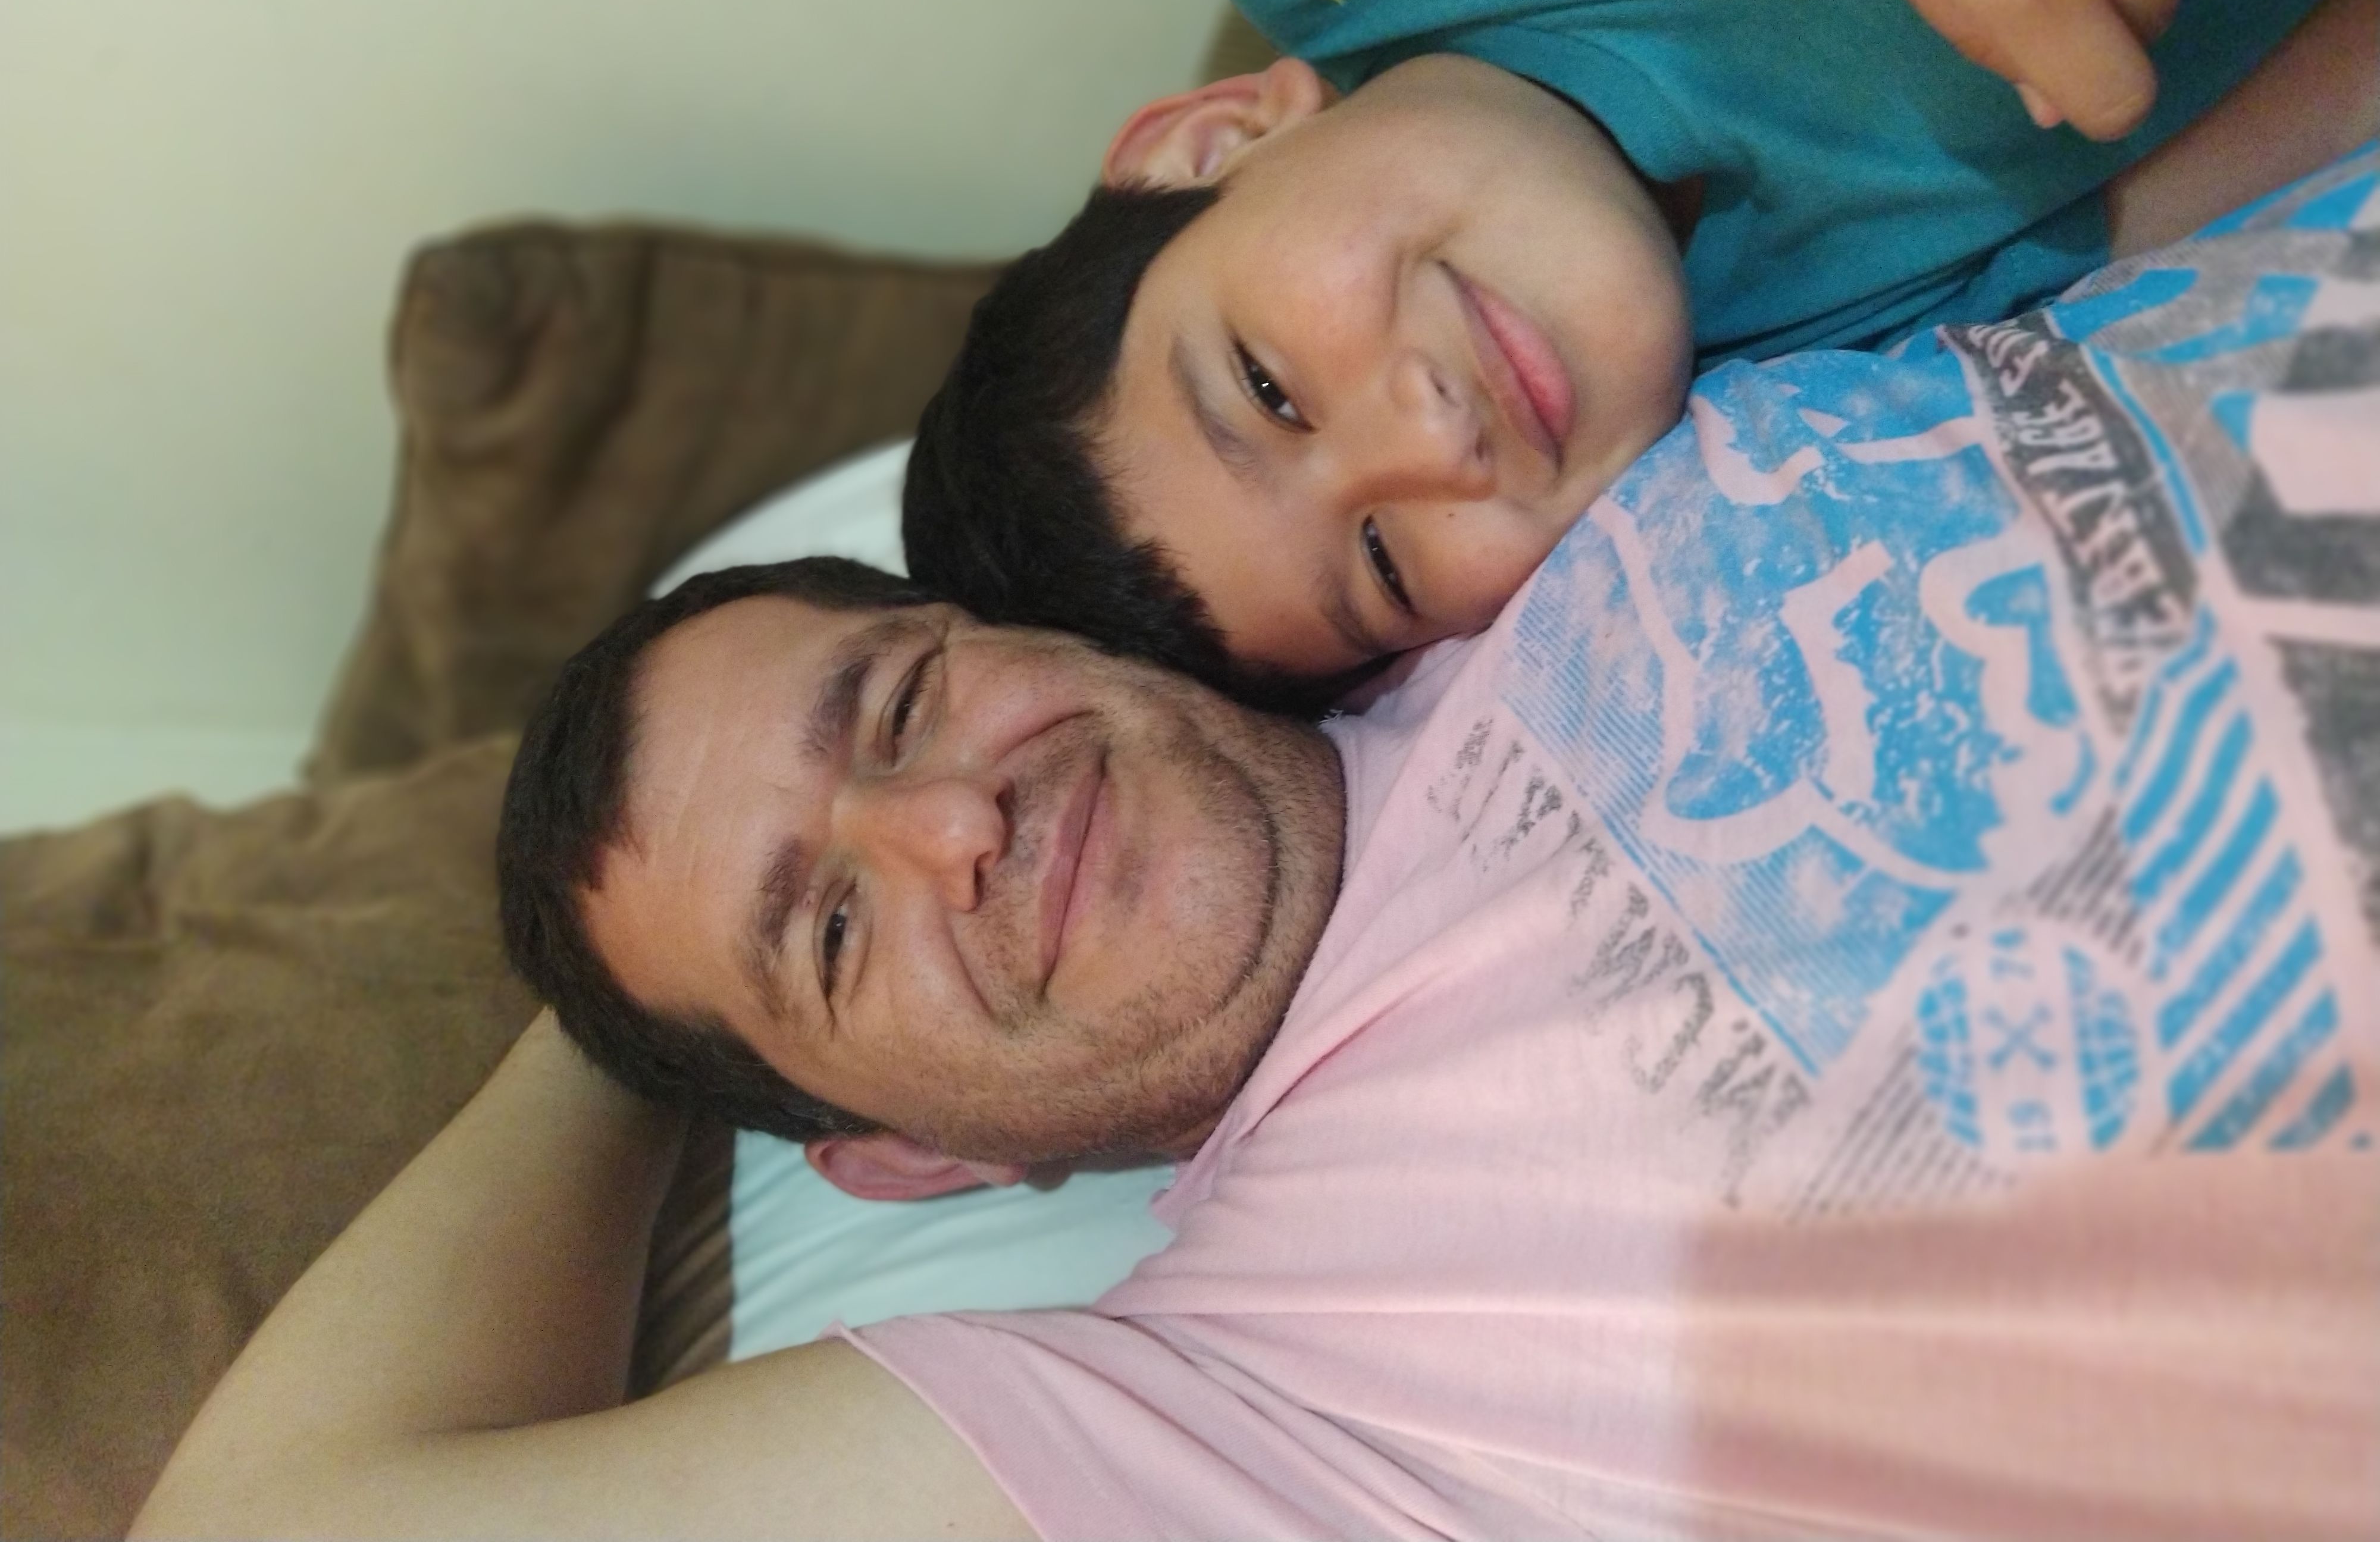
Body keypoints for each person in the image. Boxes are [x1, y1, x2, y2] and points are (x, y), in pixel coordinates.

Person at [136, 151, 2380, 1540]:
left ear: (1022, 627)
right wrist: (602, 1022)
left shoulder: (1502, 467)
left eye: (898, 708)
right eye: (828, 930)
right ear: (906, 1158)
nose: (952, 823)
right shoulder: (1274, 1395)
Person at [902, 0, 2380, 699]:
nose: (1428, 440)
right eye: (1386, 565)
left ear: (1206, 146)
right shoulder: (1859, 353)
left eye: (1268, 390)